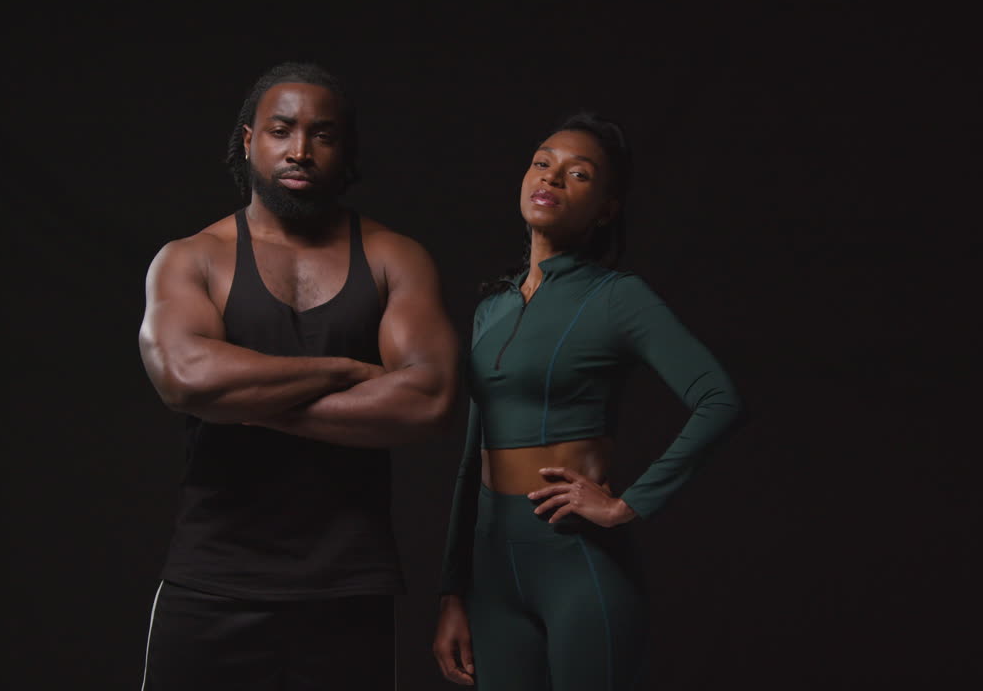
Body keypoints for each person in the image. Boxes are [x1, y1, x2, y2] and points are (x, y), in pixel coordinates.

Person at [137, 61, 459, 690]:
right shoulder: (193, 257)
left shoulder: (395, 257)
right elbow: (187, 377)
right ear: (249, 140)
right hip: (212, 580)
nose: (301, 150)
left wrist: (248, 403)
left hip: (347, 587)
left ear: (346, 151)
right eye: (282, 130)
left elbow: (430, 397)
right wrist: (342, 369)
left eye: (323, 135)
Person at [432, 112, 745, 689]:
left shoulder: (616, 298)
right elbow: (468, 457)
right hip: (493, 571)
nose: (550, 178)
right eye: (542, 163)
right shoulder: (491, 309)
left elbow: (719, 399)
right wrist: (453, 591)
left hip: (576, 562)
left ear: (606, 208)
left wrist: (628, 505)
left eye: (577, 174)